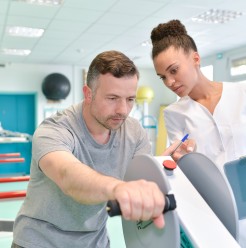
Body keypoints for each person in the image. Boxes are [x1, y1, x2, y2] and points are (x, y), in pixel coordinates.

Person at [11, 50, 194, 248]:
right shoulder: (54, 129)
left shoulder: (134, 132)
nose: (123, 110)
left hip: (94, 242)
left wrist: (163, 168)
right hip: (38, 242)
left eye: (130, 99)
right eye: (113, 98)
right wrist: (117, 188)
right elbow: (67, 175)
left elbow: (139, 181)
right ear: (88, 94)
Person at [150, 19, 246, 248]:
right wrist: (178, 161)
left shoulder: (245, 93)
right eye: (162, 77)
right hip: (210, 213)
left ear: (195, 59)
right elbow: (180, 169)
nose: (169, 82)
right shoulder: (174, 113)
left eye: (174, 70)